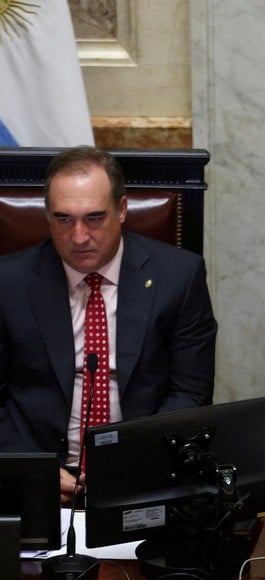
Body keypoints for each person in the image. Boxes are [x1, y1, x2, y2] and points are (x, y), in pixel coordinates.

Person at [0, 146, 218, 505]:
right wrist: (28, 469)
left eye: (95, 218)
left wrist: (134, 463)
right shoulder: (9, 283)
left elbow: (190, 392)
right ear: (47, 217)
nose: (80, 236)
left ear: (122, 210)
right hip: (36, 473)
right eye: (64, 219)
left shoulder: (179, 277)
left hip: (144, 472)